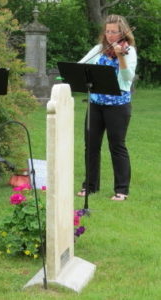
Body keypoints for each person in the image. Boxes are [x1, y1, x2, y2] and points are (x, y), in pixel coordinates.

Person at [77, 14, 137, 201]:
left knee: (117, 147)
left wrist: (120, 57)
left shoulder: (129, 51)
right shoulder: (99, 49)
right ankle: (90, 186)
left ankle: (121, 190)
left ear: (122, 32)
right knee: (91, 146)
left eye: (114, 32)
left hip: (118, 106)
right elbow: (81, 65)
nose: (110, 35)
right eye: (108, 31)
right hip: (95, 103)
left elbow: (127, 80)